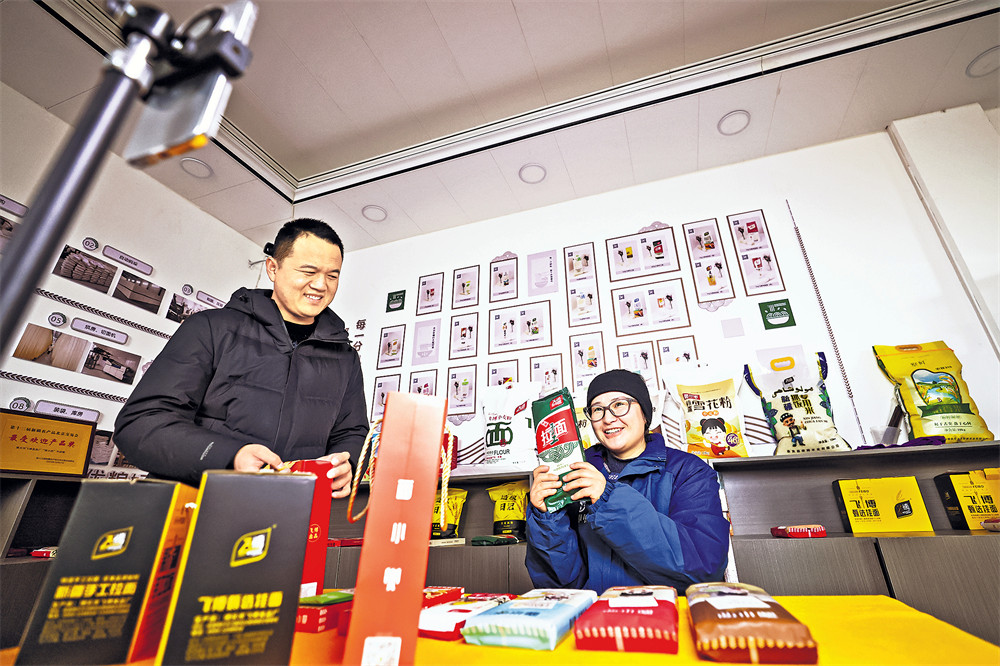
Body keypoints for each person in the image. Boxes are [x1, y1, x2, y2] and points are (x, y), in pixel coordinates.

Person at [114, 219, 368, 495]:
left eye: (332, 276)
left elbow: (351, 433)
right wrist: (230, 457)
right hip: (197, 504)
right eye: (309, 271)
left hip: (291, 508)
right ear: (273, 268)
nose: (320, 285)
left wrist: (348, 464)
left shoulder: (345, 358)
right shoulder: (211, 328)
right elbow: (141, 423)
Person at [525, 369, 730, 594]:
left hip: (661, 612)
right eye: (597, 409)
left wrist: (607, 498)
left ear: (645, 414)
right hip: (593, 613)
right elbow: (559, 587)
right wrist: (547, 517)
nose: (608, 418)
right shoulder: (574, 474)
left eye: (619, 404)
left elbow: (702, 569)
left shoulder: (688, 471)